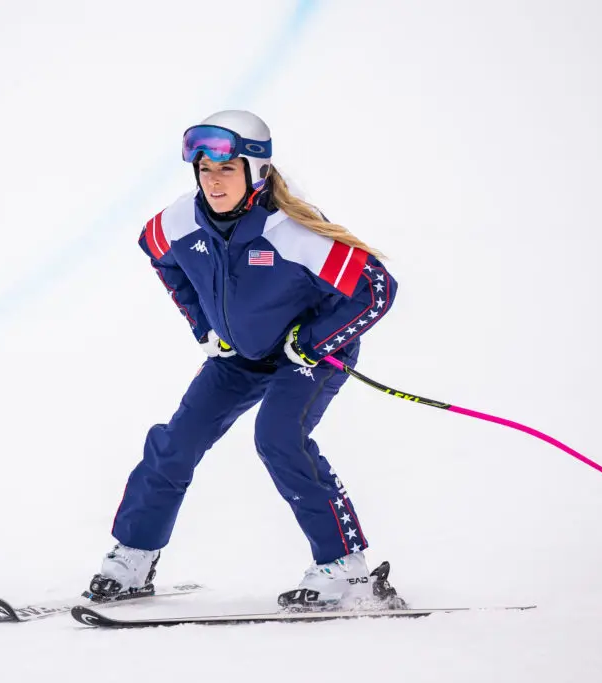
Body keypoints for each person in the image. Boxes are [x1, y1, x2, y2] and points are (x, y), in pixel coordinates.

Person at [87, 110, 401, 608]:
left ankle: (345, 568)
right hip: (240, 354)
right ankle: (134, 557)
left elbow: (376, 289)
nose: (213, 181)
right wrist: (205, 326)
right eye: (205, 170)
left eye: (227, 169)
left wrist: (313, 341)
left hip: (307, 356)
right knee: (176, 442)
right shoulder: (180, 222)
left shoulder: (294, 233)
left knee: (279, 438)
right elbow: (157, 252)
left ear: (256, 171)